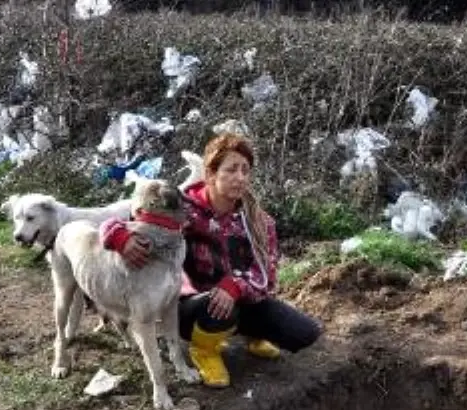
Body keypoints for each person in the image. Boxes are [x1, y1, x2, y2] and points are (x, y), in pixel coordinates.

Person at [100, 133, 322, 387]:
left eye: (245, 170)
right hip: (190, 305)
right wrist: (118, 236)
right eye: (230, 169)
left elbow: (266, 276)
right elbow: (125, 218)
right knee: (220, 307)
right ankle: (204, 350)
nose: (240, 177)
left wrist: (235, 285)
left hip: (237, 298)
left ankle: (252, 333)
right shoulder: (182, 210)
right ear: (211, 174)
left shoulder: (259, 221)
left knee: (305, 333)